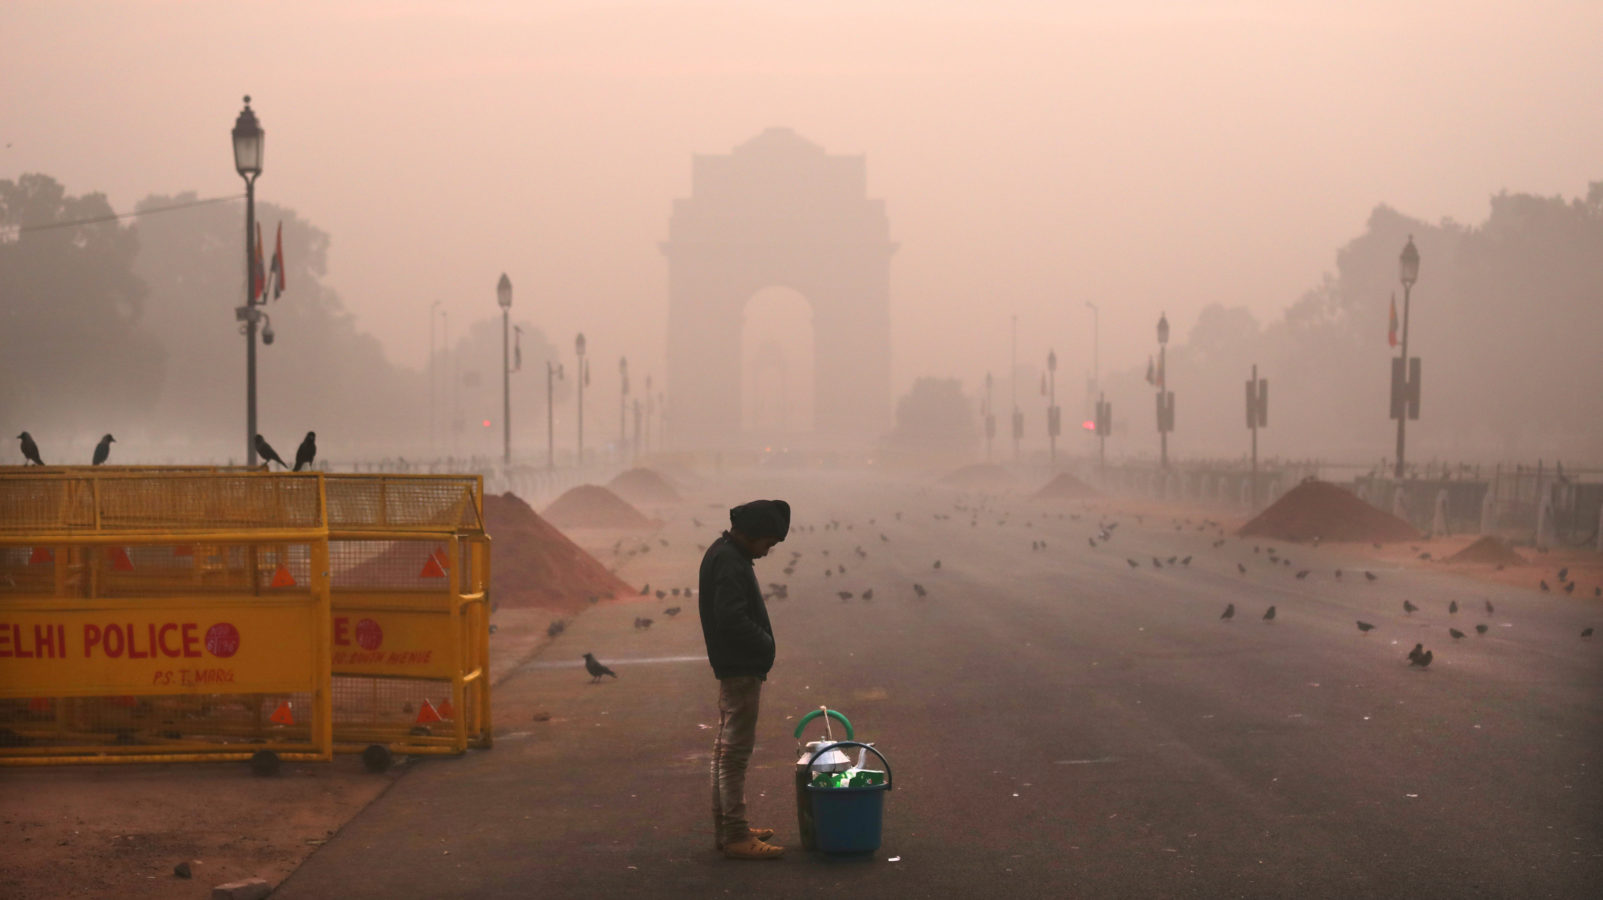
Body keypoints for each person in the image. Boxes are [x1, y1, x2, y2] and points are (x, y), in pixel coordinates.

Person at [699, 498, 789, 860]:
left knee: (725, 750)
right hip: (739, 667)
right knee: (734, 754)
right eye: (768, 543)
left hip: (734, 664)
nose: (767, 552)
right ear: (752, 535)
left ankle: (729, 826)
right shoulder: (730, 563)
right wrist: (765, 643)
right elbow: (731, 619)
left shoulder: (726, 553)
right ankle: (736, 835)